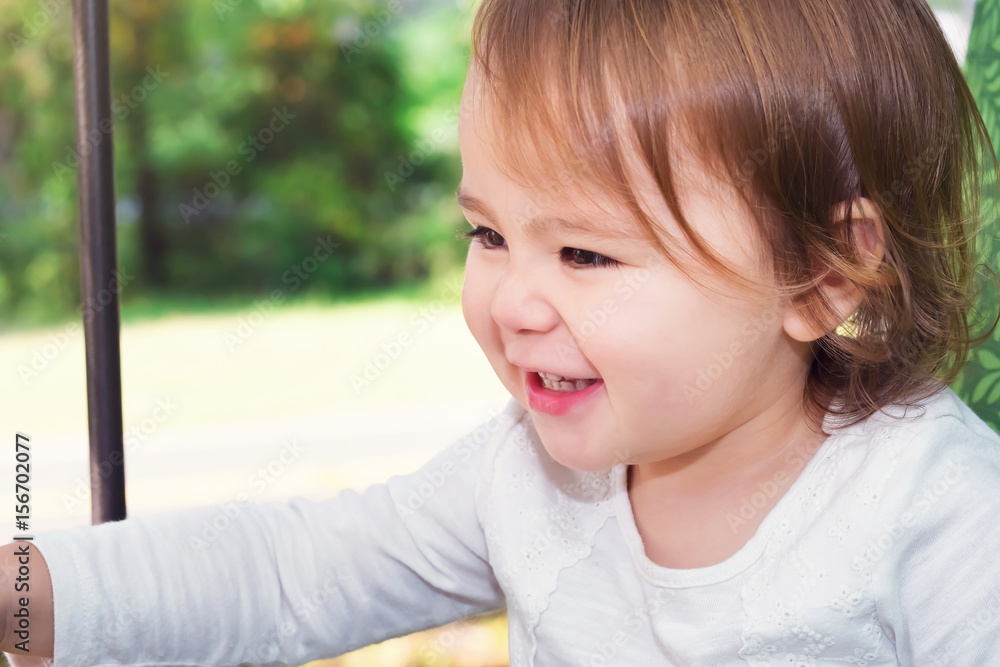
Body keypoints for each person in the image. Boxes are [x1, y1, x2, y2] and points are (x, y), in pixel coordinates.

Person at [4, 0, 1000, 664]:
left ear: (819, 273)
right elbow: (284, 574)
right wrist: (16, 586)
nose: (511, 302)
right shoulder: (524, 478)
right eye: (488, 233)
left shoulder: (940, 511)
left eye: (584, 255)